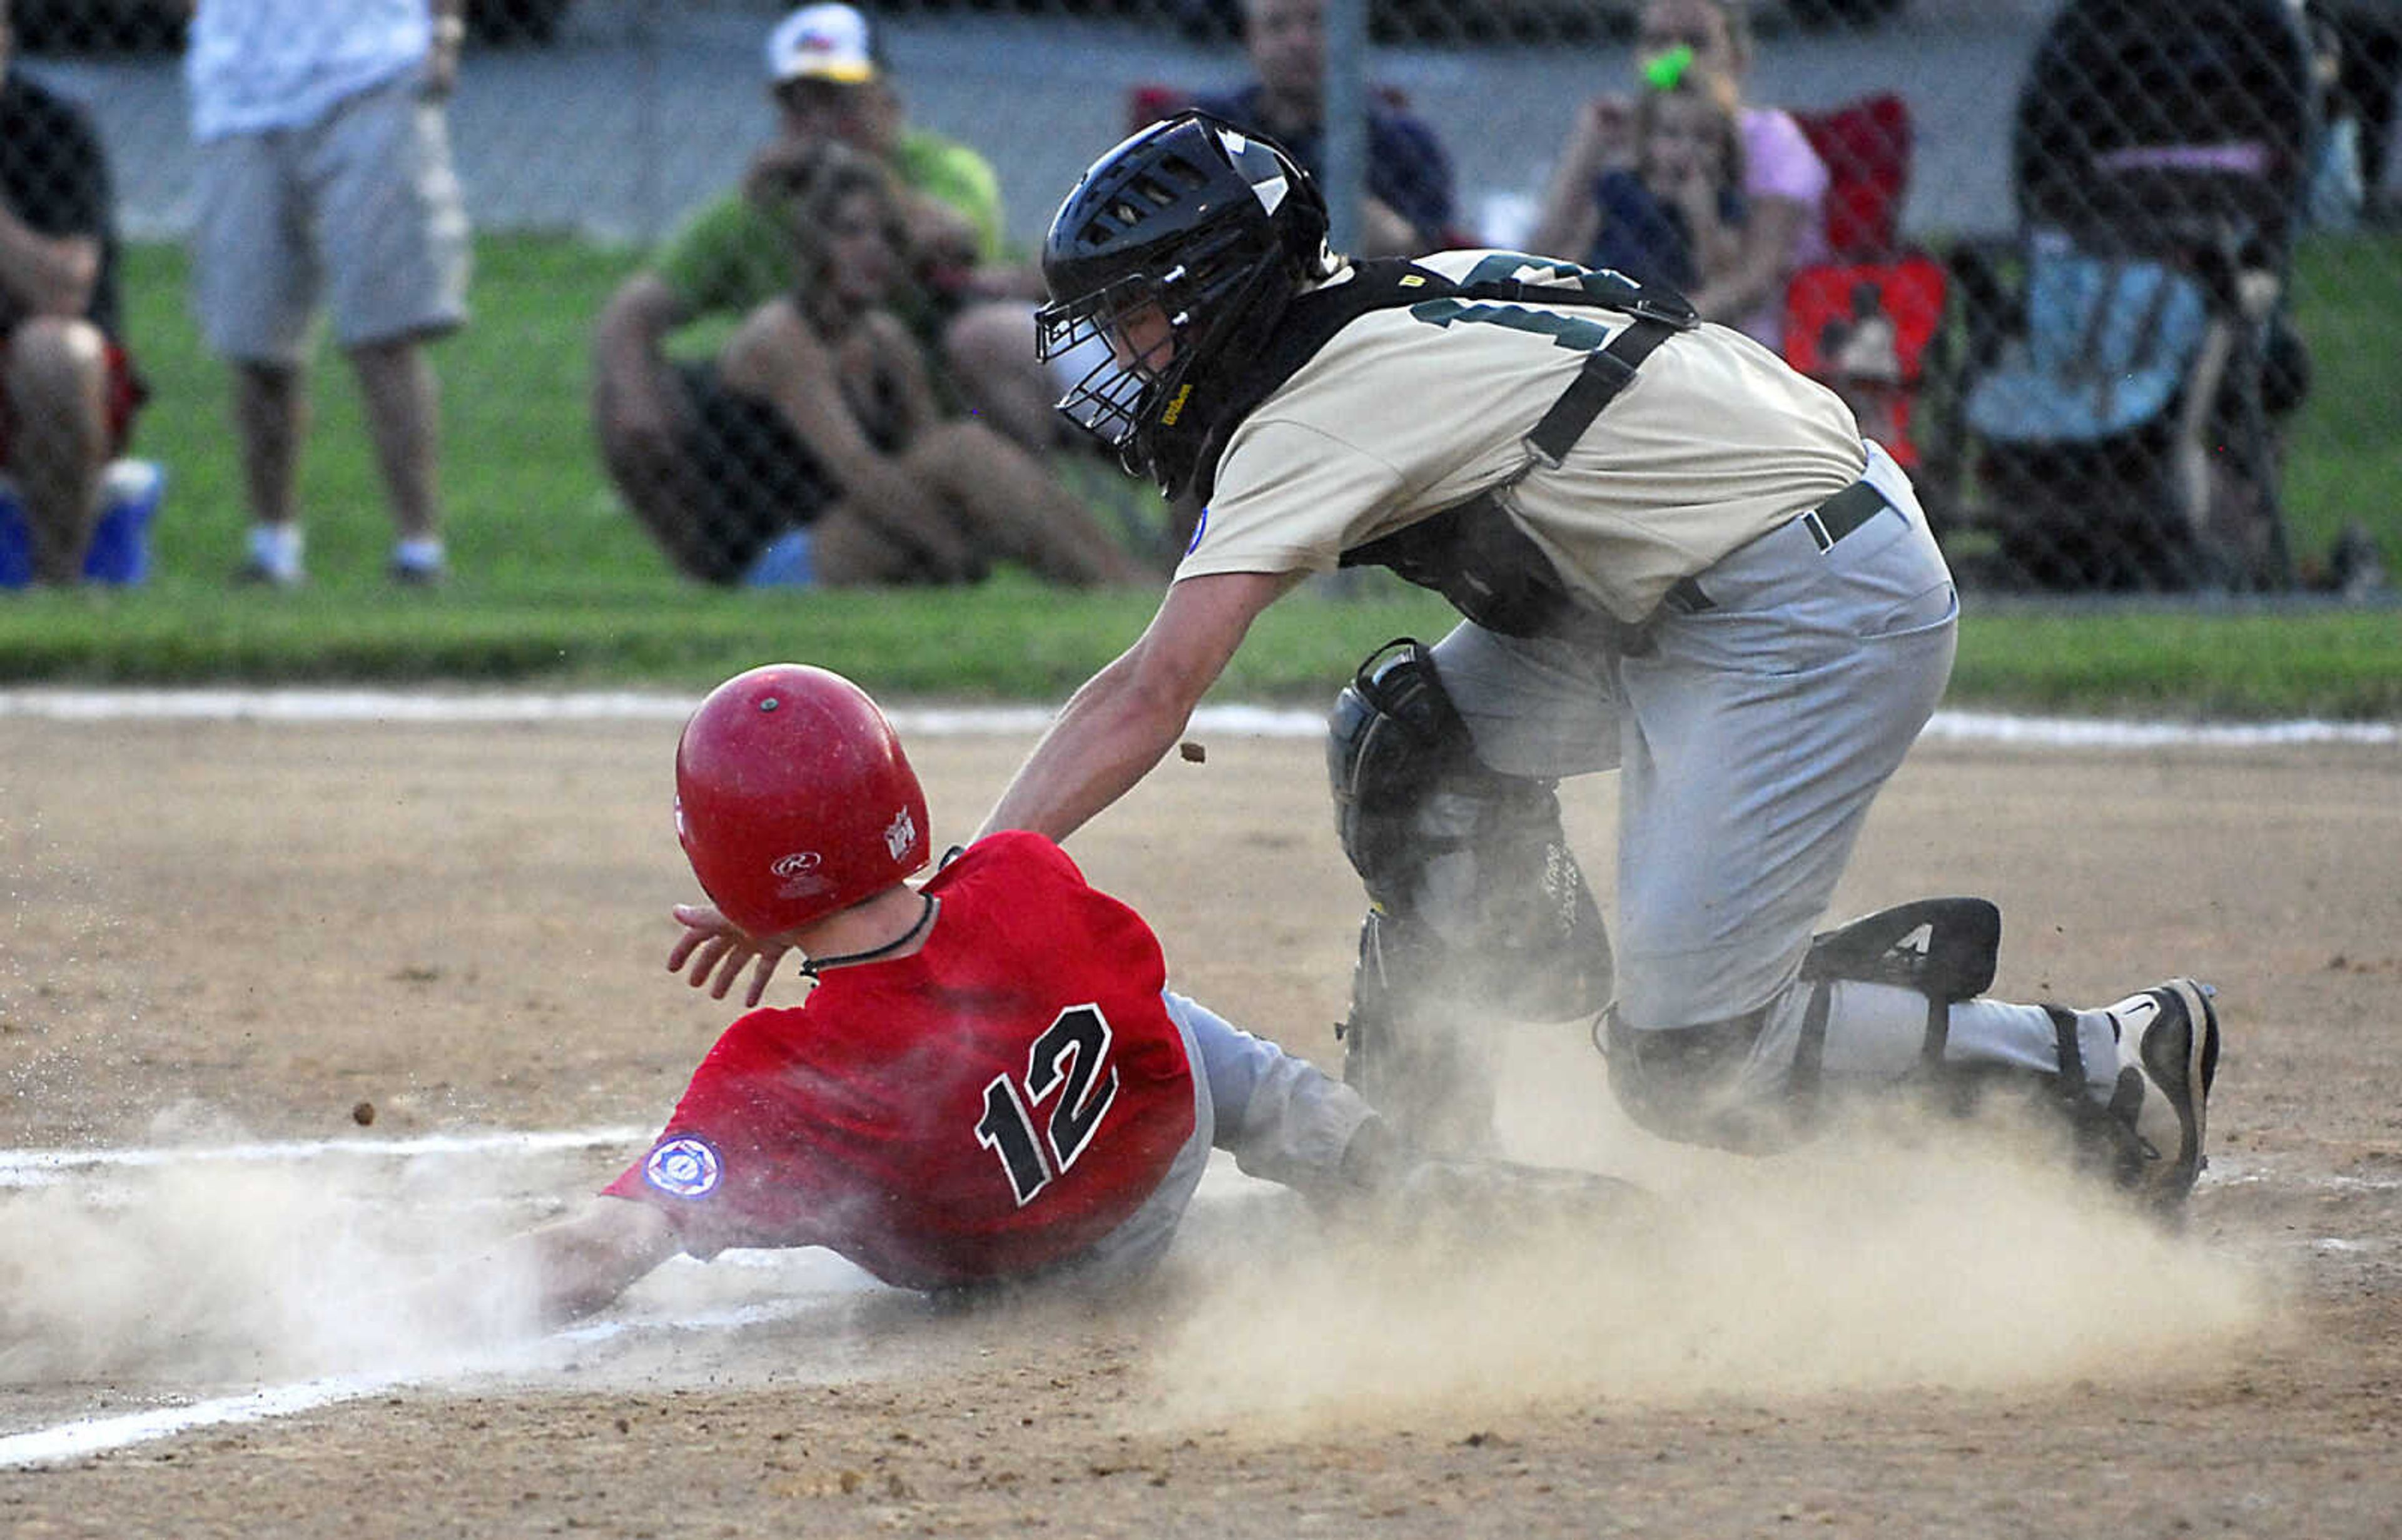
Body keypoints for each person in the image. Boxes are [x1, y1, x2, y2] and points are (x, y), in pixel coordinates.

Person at [976, 113, 2221, 1211]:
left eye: (1136, 316)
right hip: (1700, 578)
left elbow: (1152, 693)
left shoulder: (1314, 404)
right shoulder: (1390, 303)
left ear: (1220, 295)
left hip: (1799, 605)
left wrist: (968, 894)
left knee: (1694, 1063)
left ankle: (2104, 1065)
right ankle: (1426, 1144)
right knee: (1413, 745)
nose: (1110, 358)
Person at [497, 664, 1635, 1322]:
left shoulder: (773, 1076)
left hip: (1046, 1270)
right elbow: (945, 912)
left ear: (728, 869)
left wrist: (431, 1301)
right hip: (1166, 1129)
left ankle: (1334, 1205)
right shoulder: (1020, 874)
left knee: (797, 1172)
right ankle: (1395, 1166)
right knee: (1174, 1026)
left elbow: (606, 1250)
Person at [593, 3, 1086, 558]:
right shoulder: (760, 206)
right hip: (801, 432)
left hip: (933, 408)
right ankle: (712, 577)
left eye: (839, 100)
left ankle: (1005, 542)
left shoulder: (942, 170)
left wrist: (850, 173)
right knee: (631, 386)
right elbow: (635, 306)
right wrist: (636, 402)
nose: (820, 121)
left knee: (982, 347)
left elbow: (950, 238)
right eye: (800, 103)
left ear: (887, 103)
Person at [619, 142, 1145, 588]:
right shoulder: (782, 337)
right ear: (813, 243)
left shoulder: (885, 338)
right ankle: (1124, 590)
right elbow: (860, 473)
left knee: (963, 448)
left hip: (868, 529)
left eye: (886, 237)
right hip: (780, 562)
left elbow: (923, 445)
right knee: (965, 452)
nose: (871, 251)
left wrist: (973, 513)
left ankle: (1122, 586)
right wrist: (958, 551)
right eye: (850, 234)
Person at [181, 0, 470, 589]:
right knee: (257, 346)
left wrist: (443, 32)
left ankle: (420, 551)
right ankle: (273, 549)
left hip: (371, 72)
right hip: (238, 94)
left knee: (386, 334)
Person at [1530, 0, 1827, 348]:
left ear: (1737, 57)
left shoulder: (1770, 137)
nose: (1677, 57)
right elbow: (1544, 254)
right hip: (1616, 327)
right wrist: (1585, 152)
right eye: (1658, 41)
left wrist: (1648, 328)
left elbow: (1752, 280)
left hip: (1726, 341)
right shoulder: (1630, 138)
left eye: (1696, 42)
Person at [0, 0, 145, 588]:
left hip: (24, 382)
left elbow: (64, 289)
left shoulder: (49, 125)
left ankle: (56, 584)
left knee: (57, 351)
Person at [1187, 0, 1459, 259]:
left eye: (1318, 22)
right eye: (1277, 25)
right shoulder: (1211, 129)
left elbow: (1428, 252)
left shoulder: (1404, 143)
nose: (1299, 42)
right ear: (1250, 37)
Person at [1583, 61, 1748, 299]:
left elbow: (1719, 277)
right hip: (1608, 299)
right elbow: (1580, 245)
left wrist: (1702, 217)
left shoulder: (1724, 202)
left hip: (1671, 309)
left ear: (1723, 146)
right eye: (1671, 134)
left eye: (1704, 138)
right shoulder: (1620, 186)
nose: (1687, 149)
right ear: (1647, 138)